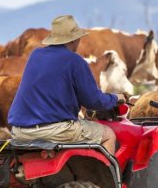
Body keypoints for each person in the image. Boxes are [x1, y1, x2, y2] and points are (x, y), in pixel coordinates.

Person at [8, 14, 126, 155]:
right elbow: (93, 100)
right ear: (73, 40)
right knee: (108, 135)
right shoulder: (75, 61)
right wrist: (115, 98)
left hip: (20, 131)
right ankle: (108, 176)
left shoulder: (36, 55)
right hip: (54, 131)